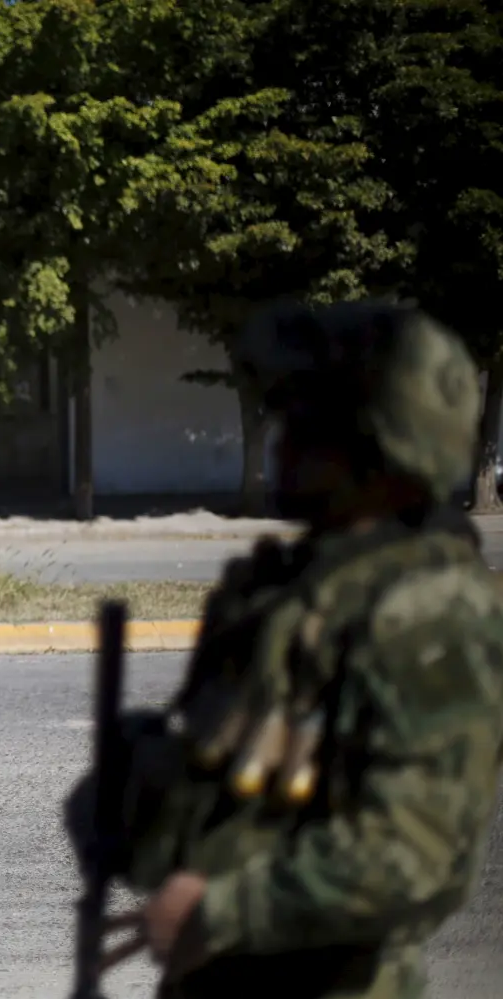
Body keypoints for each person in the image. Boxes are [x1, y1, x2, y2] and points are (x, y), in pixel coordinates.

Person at [66, 301, 503, 998]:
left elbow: (415, 858)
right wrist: (133, 786)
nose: (282, 439)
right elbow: (242, 783)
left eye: (309, 420)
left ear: (381, 446)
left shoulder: (430, 610)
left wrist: (220, 909)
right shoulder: (288, 590)